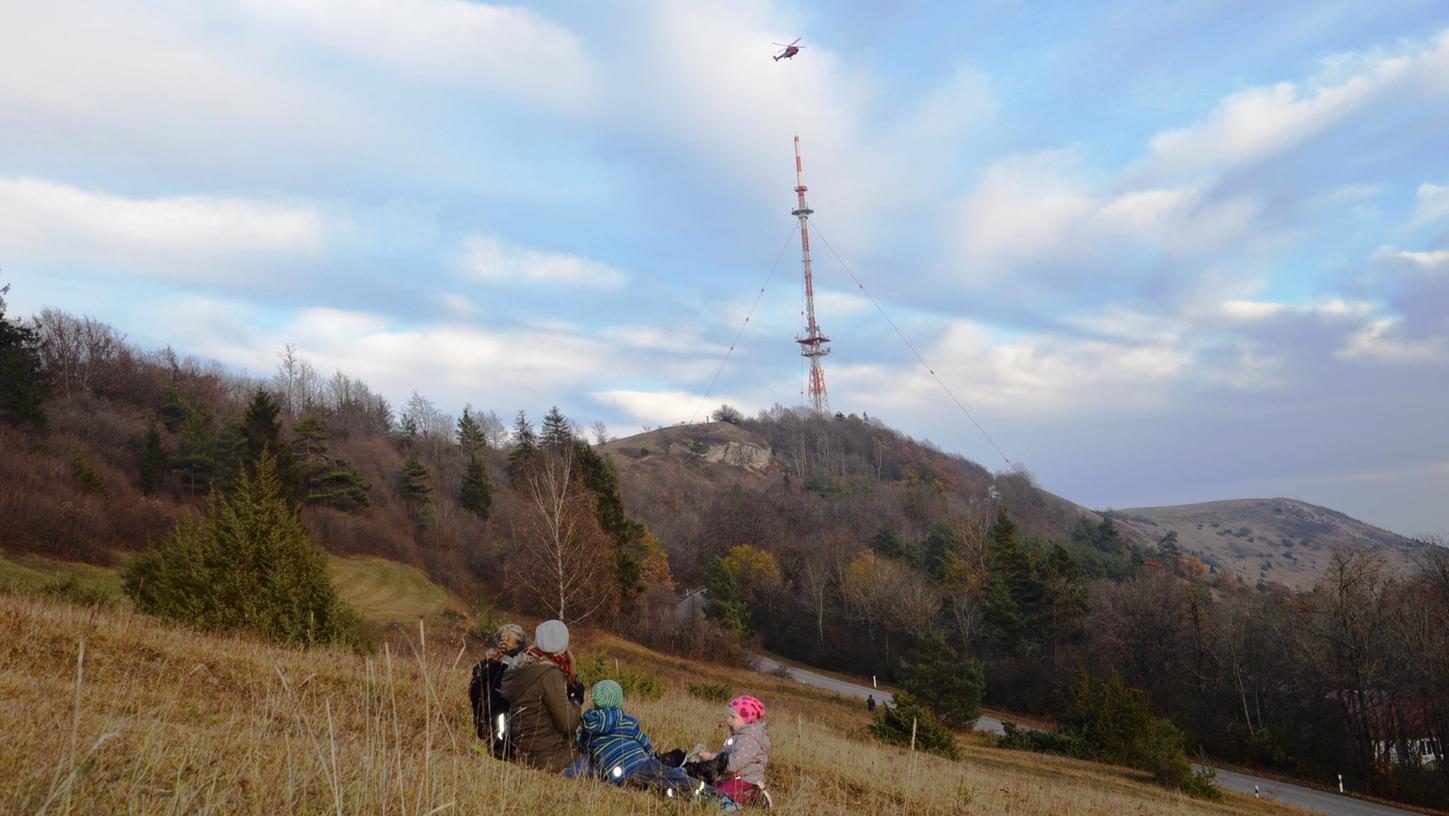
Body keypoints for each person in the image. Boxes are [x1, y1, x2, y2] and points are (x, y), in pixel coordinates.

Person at [570, 680, 739, 809]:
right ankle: (720, 799)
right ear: (618, 700)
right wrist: (652, 756)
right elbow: (642, 740)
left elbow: (582, 743)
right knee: (674, 779)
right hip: (640, 764)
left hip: (617, 776)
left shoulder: (588, 723)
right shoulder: (625, 720)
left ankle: (692, 795)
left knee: (659, 786)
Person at [500, 619, 584, 772]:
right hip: (552, 758)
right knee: (603, 764)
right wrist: (576, 699)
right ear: (563, 647)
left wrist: (569, 681)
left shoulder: (520, 666)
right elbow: (568, 725)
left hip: (526, 754)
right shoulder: (549, 675)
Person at [698, 695, 770, 806]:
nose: (728, 721)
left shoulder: (748, 739)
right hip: (735, 778)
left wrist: (711, 757)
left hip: (748, 781)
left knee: (720, 795)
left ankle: (754, 797)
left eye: (733, 717)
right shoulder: (741, 736)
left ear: (747, 719)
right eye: (729, 717)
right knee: (711, 788)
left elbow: (733, 764)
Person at [468, 623, 527, 758]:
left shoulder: (484, 665)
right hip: (507, 731)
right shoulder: (520, 669)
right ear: (521, 646)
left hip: (485, 723)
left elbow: (474, 692)